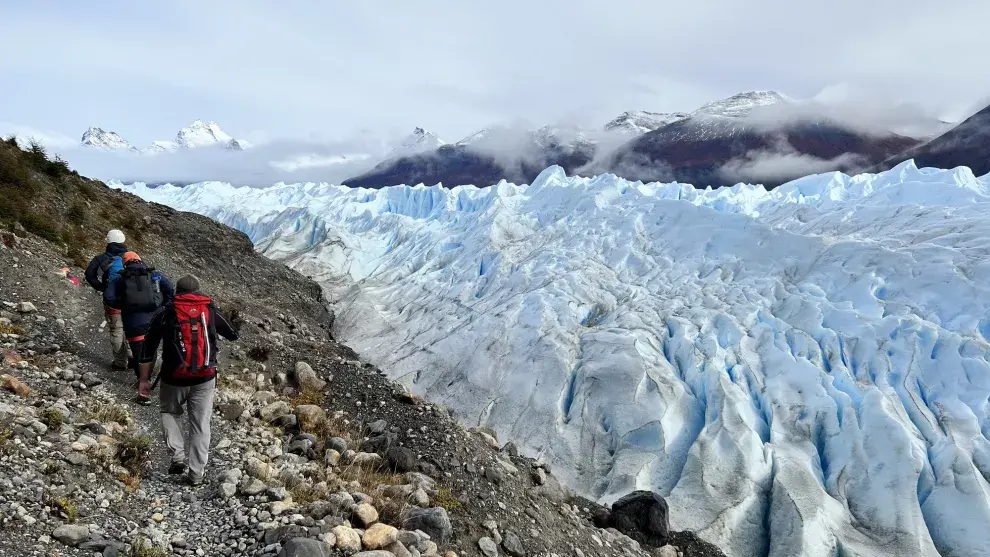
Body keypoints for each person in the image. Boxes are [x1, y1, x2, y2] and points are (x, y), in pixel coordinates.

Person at [137, 275, 239, 485]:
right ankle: (196, 475)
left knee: (169, 412)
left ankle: (177, 454)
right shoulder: (209, 310)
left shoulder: (166, 312)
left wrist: (144, 379)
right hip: (205, 377)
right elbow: (232, 334)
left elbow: (148, 349)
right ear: (198, 291)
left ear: (177, 291)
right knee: (201, 424)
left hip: (173, 377)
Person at [104, 251, 174, 378]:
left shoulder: (120, 279)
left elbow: (108, 297)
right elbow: (170, 289)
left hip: (133, 324)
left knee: (138, 353)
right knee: (151, 349)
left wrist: (123, 304)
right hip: (154, 321)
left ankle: (142, 381)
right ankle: (149, 376)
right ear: (140, 260)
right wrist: (164, 306)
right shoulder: (154, 274)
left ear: (125, 264)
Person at [84, 229, 130, 370]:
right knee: (131, 328)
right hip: (131, 300)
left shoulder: (101, 258)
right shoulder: (130, 257)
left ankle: (121, 363)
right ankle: (134, 355)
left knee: (116, 329)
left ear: (108, 241)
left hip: (112, 301)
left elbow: (90, 275)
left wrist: (103, 288)